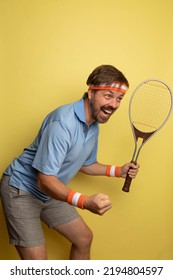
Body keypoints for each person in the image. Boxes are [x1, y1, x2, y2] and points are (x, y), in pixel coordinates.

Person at [0, 64, 139, 260]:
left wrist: (119, 171)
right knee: (38, 266)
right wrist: (84, 201)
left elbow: (85, 163)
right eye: (108, 96)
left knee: (84, 238)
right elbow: (44, 179)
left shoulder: (93, 125)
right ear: (91, 93)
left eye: (119, 99)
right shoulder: (62, 123)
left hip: (49, 191)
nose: (114, 105)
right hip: (21, 190)